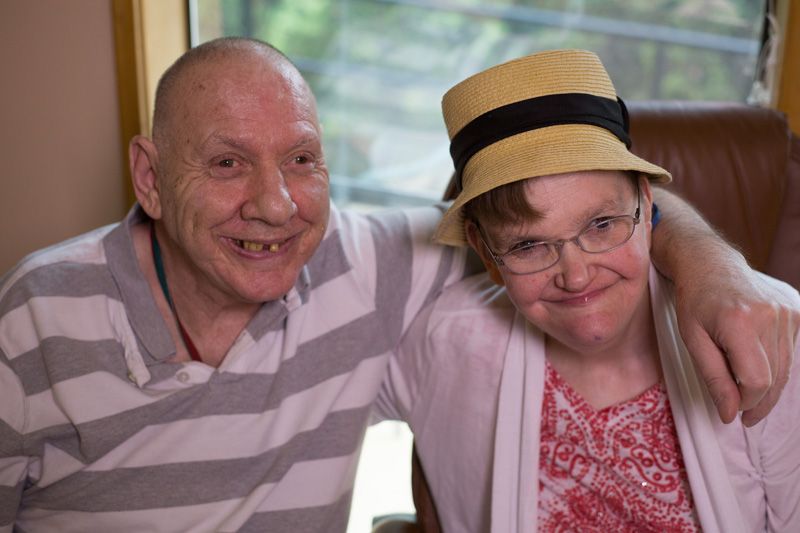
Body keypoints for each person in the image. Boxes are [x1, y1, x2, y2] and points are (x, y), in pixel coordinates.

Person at [0, 38, 796, 532]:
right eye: (226, 162)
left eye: (302, 159)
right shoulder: (37, 313)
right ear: (148, 176)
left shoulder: (365, 267)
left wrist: (704, 259)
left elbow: (593, 212)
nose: (275, 205)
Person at [376, 49, 800, 532]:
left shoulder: (762, 333)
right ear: (483, 248)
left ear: (645, 203)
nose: (575, 276)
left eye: (601, 224)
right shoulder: (445, 341)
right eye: (529, 245)